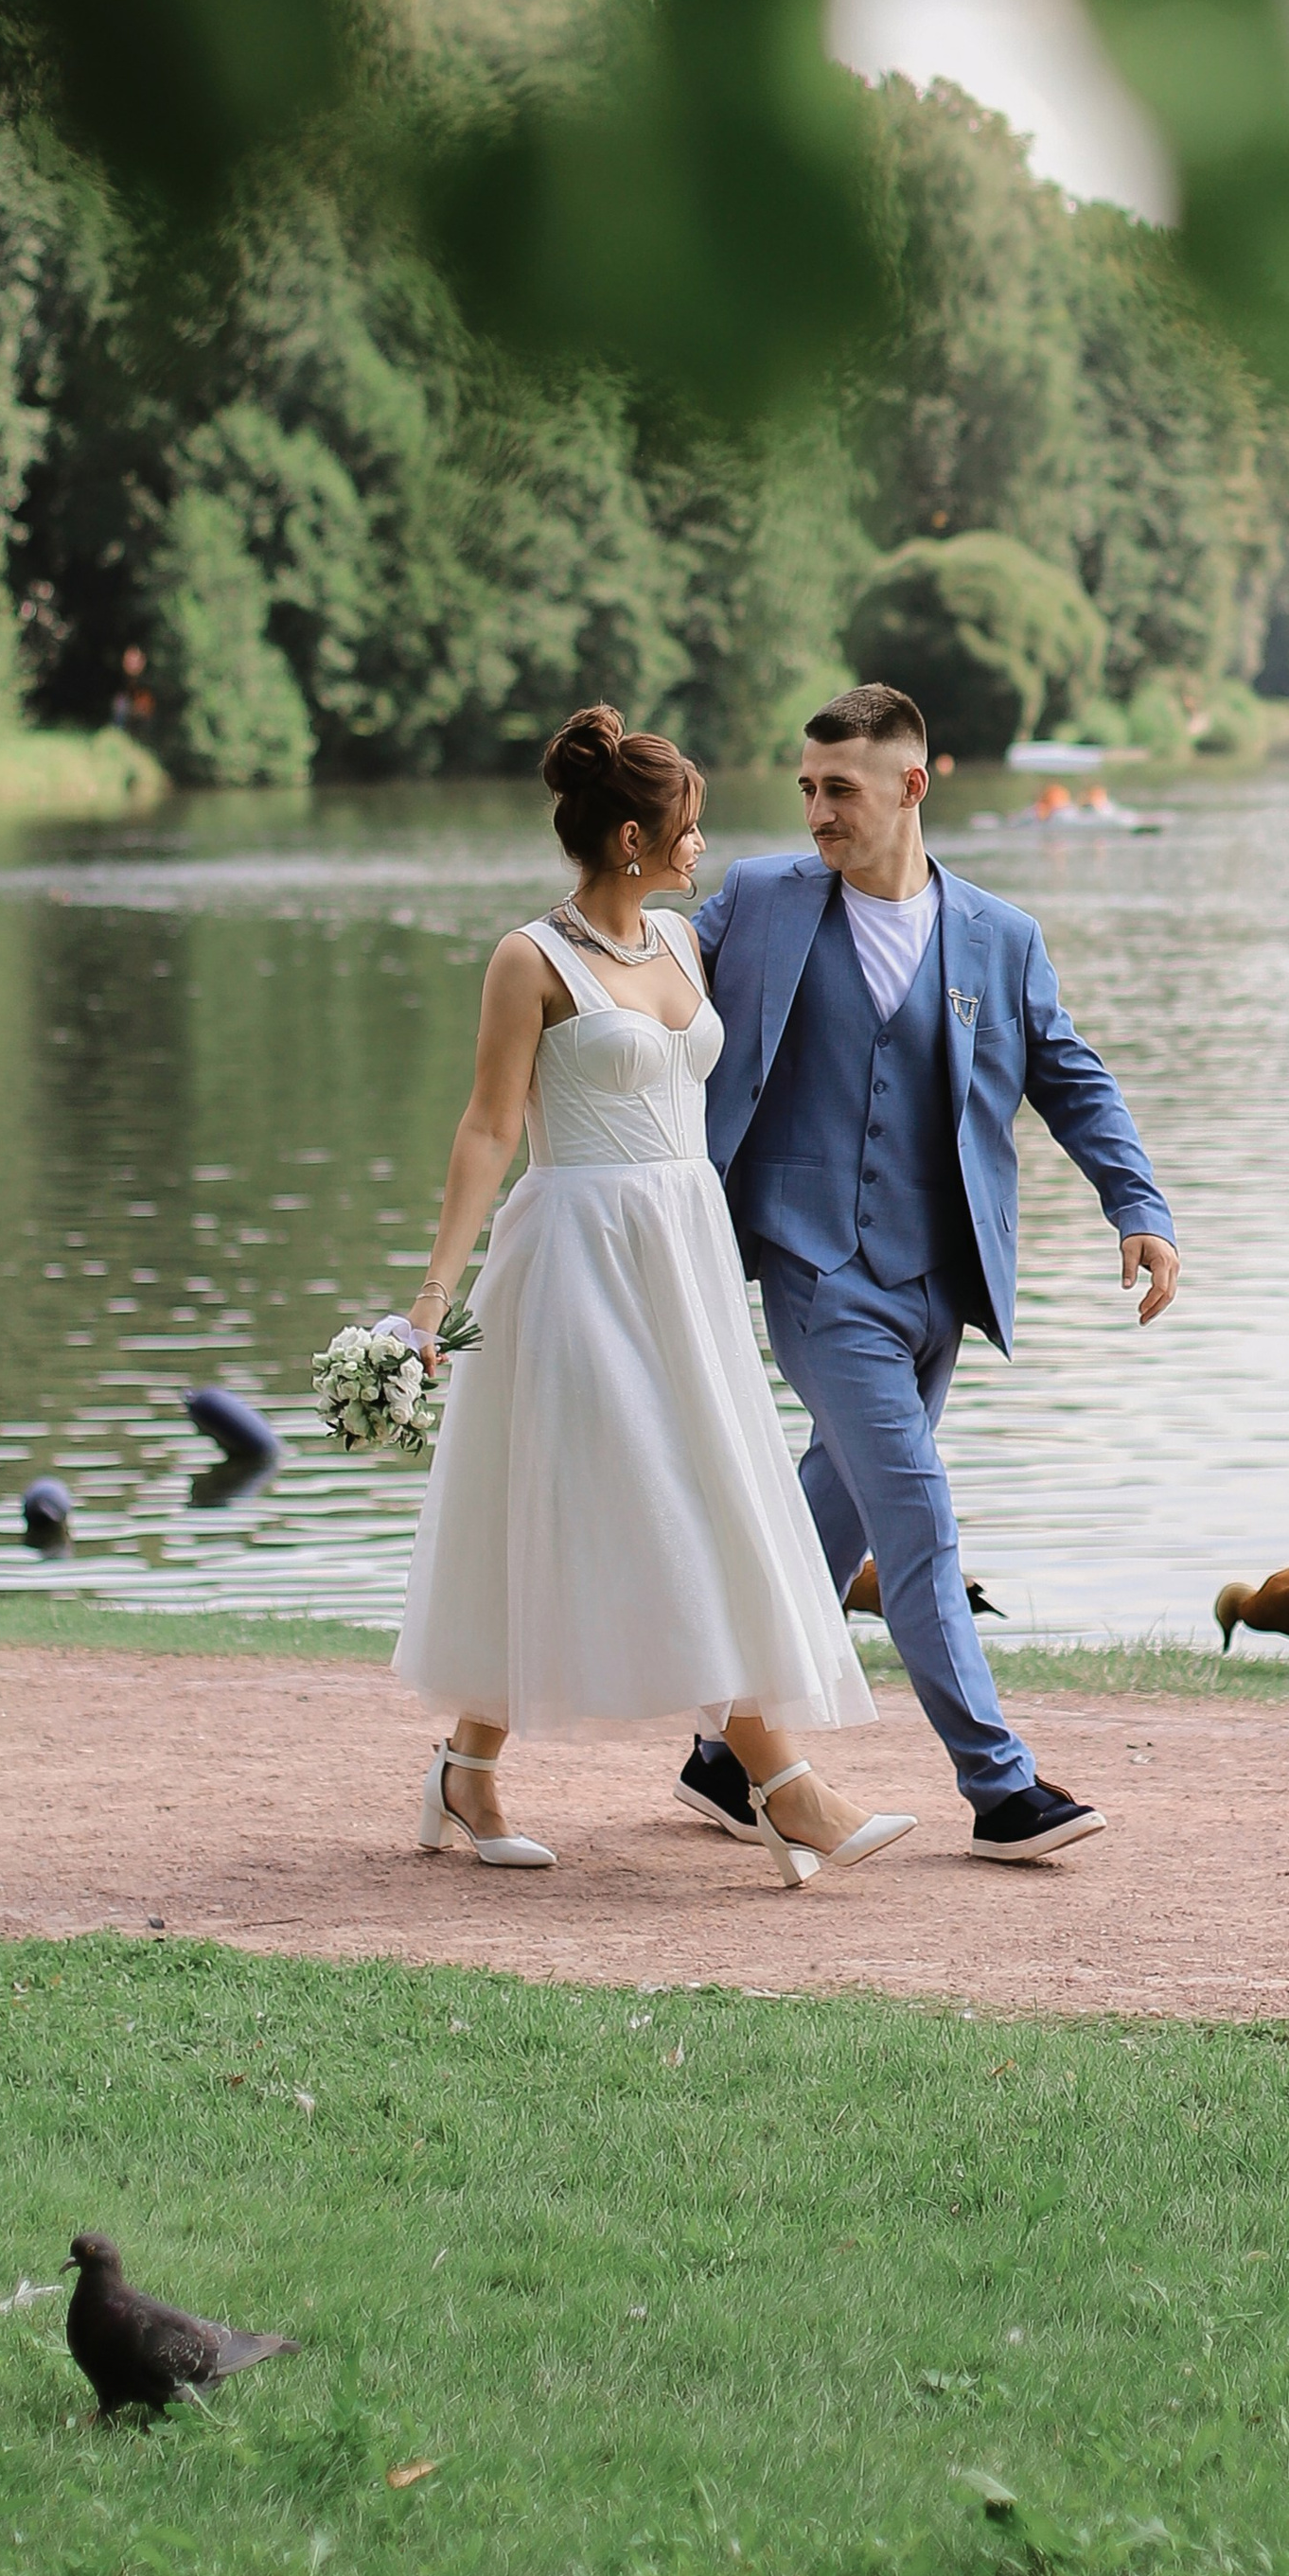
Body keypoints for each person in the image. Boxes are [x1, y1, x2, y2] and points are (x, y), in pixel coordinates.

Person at [391, 707, 916, 1889]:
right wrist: (429, 1300)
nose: (701, 846)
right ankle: (789, 1792)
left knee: (630, 1508)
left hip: (684, 1257)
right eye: (687, 827)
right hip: (575, 1256)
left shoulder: (683, 944)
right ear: (632, 836)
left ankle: (464, 1770)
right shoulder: (530, 959)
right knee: (663, 1504)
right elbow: (486, 1130)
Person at [680, 681, 1178, 1863]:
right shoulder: (755, 902)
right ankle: (1000, 1789)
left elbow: (1070, 1076)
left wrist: (1137, 1204)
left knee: (825, 1521)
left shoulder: (999, 937)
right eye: (805, 789)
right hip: (810, 1265)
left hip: (939, 1282)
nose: (816, 812)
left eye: (838, 790)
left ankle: (718, 1755)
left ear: (911, 785)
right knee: (916, 1517)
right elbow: (637, 979)